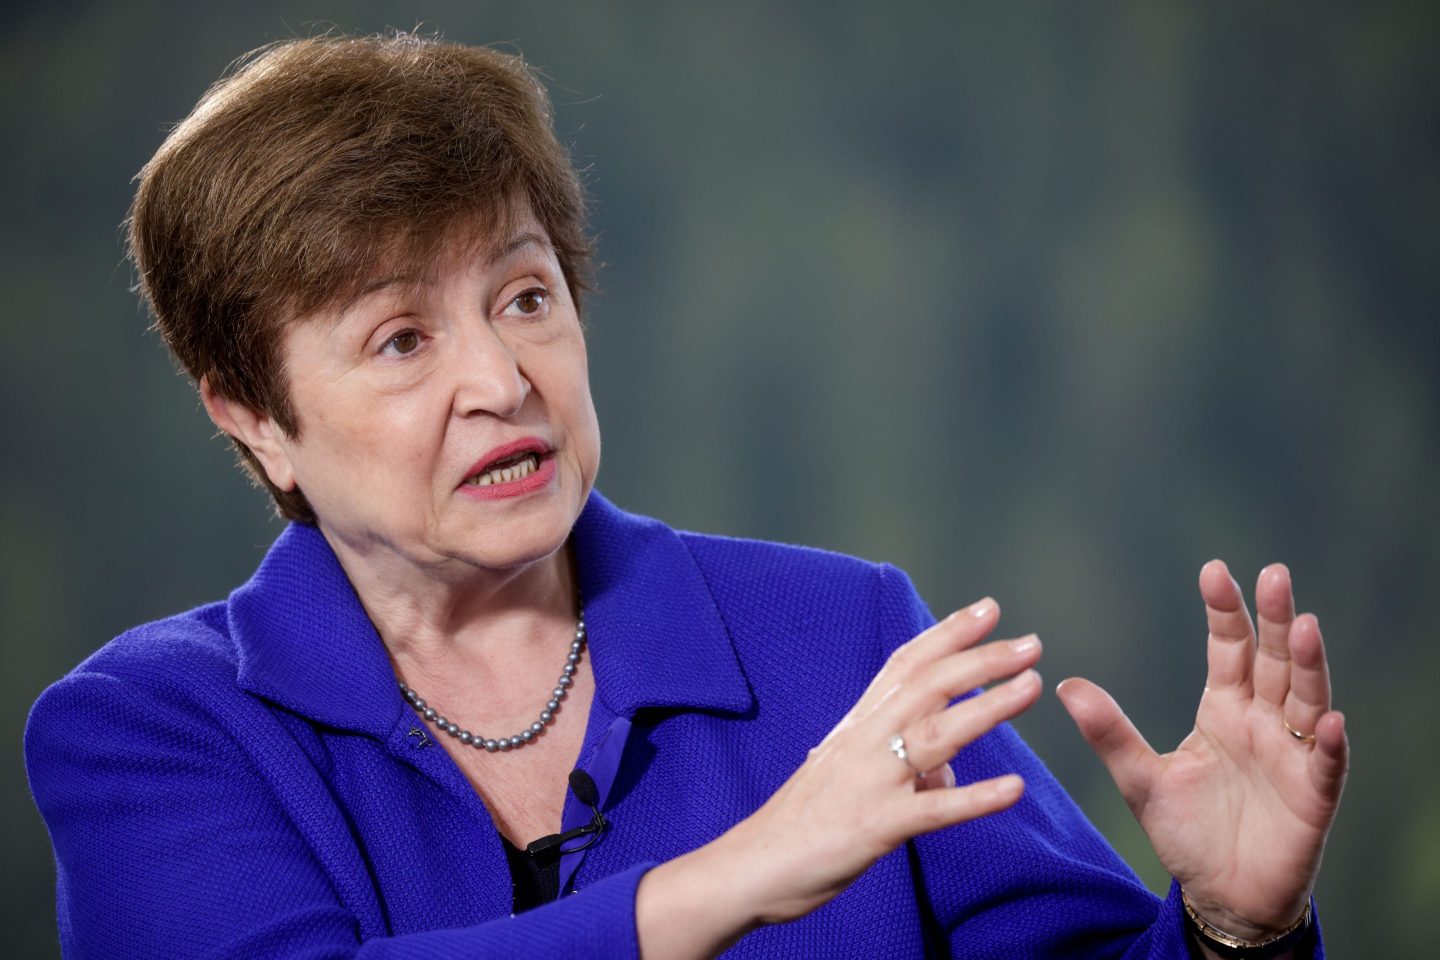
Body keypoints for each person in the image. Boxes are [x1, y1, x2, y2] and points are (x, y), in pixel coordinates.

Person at [24, 33, 1347, 959]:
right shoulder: (144, 730)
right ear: (250, 412)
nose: (503, 378)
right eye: (402, 339)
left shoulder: (844, 640)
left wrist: (1234, 930)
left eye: (525, 296)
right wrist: (742, 875)